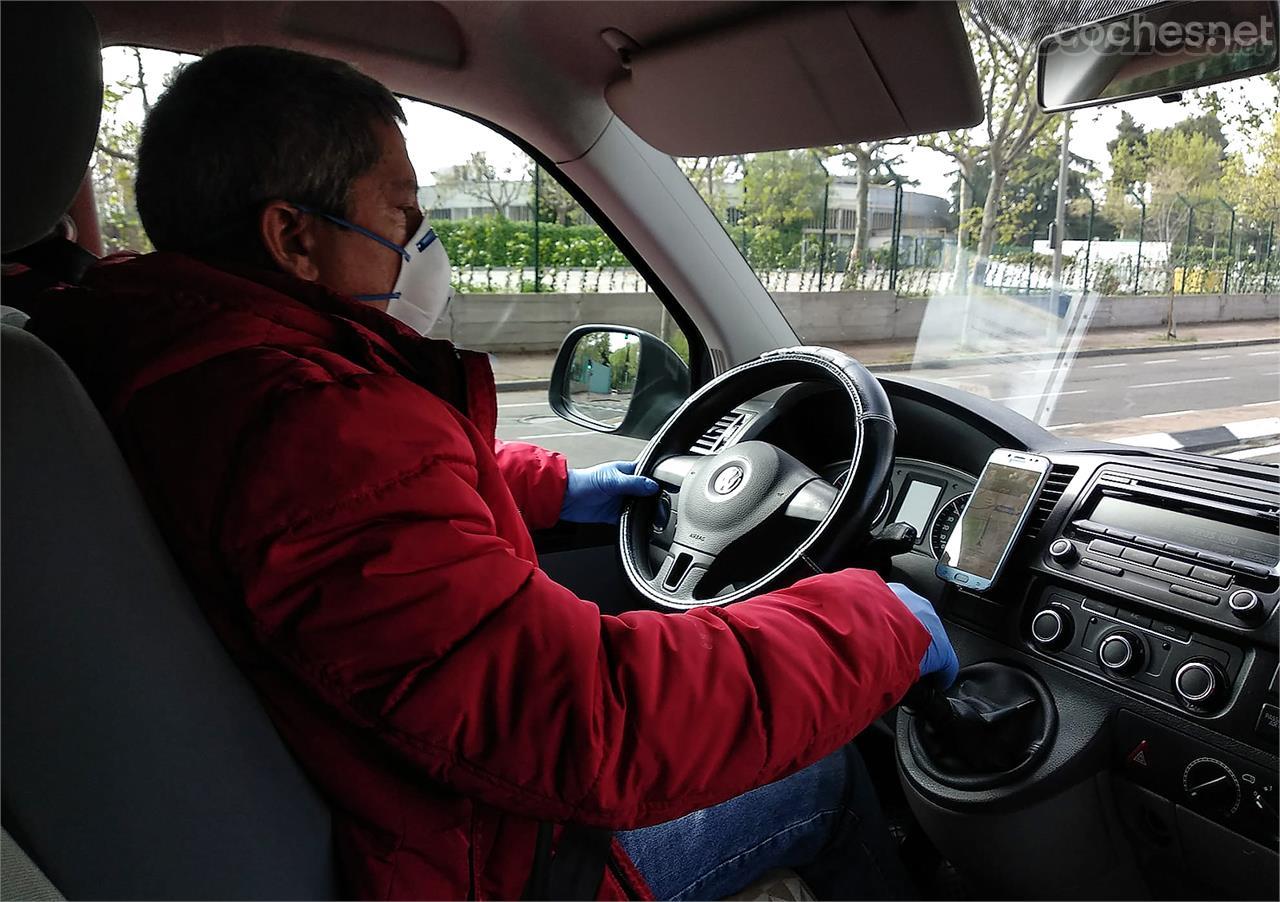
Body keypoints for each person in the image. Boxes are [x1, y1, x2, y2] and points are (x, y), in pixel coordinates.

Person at [26, 46, 958, 900]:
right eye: (401, 210)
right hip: (487, 865)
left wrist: (547, 489)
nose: (421, 239)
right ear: (293, 238)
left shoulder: (155, 357)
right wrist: (875, 621)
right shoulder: (299, 421)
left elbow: (355, 523)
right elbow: (592, 721)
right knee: (827, 774)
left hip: (391, 810)